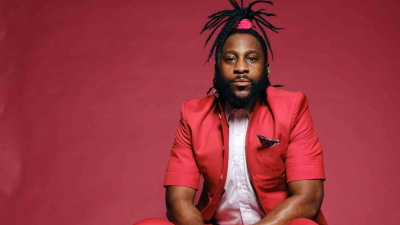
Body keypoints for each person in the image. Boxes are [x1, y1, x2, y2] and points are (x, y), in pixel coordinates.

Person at [135, 0, 326, 224]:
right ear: (218, 69)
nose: (241, 67)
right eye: (230, 59)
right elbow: (178, 201)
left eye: (252, 59)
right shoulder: (192, 115)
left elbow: (309, 198)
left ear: (267, 70)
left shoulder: (293, 107)